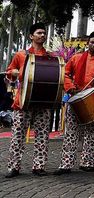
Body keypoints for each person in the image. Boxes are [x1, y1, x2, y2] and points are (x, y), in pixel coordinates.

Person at [53, 31, 94, 175]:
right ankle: (66, 164)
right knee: (71, 132)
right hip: (76, 98)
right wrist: (71, 88)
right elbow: (65, 74)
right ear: (87, 43)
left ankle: (88, 163)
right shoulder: (76, 58)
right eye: (92, 42)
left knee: (92, 133)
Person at [4, 23, 52, 178]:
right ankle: (14, 167)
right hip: (23, 101)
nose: (42, 35)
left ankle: (39, 166)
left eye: (44, 33)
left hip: (43, 102)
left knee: (42, 135)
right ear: (31, 36)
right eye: (39, 33)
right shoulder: (20, 55)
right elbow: (8, 73)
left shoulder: (50, 57)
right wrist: (13, 72)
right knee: (17, 135)